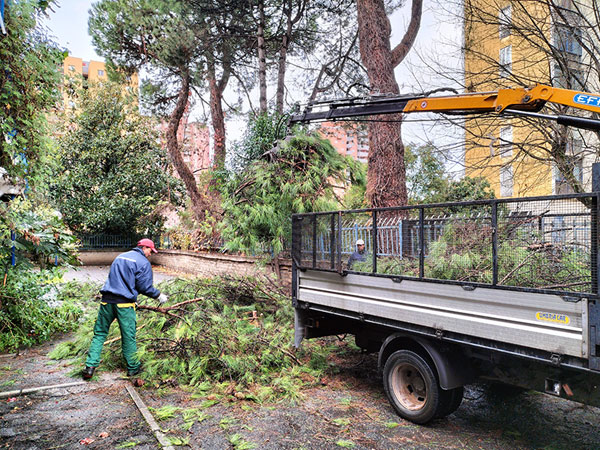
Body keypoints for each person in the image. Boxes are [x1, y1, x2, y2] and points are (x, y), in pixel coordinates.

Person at [82, 238, 167, 380]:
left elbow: (116, 280)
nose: (150, 254)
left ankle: (89, 367)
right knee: (128, 337)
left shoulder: (120, 257)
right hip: (124, 305)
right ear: (144, 248)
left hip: (107, 301)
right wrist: (158, 295)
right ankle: (133, 368)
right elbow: (144, 287)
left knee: (100, 334)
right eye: (150, 251)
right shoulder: (143, 262)